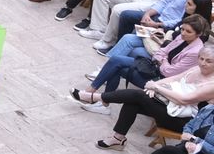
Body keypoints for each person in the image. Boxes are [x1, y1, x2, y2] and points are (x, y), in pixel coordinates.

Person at [104, 62, 214, 154]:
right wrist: (186, 135)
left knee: (168, 151)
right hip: (188, 146)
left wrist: (198, 143)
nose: (209, 100)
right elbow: (190, 125)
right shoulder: (208, 110)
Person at [73, 13, 208, 103]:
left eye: (188, 31)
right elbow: (161, 52)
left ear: (199, 34)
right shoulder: (181, 37)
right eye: (183, 29)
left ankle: (97, 98)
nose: (183, 33)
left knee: (117, 66)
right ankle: (95, 95)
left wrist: (163, 60)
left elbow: (169, 72)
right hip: (154, 67)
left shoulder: (195, 51)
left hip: (162, 81)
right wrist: (163, 58)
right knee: (116, 60)